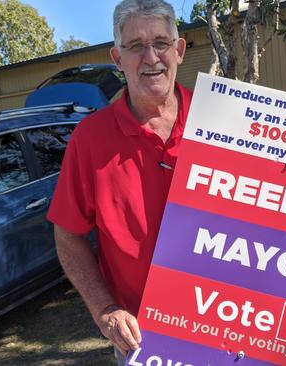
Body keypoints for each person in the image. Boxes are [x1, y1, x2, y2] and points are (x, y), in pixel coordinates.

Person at [46, 0, 190, 364]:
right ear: (117, 58)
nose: (151, 57)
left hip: (229, 328)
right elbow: (67, 234)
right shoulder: (90, 139)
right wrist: (104, 308)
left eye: (160, 42)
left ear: (180, 49)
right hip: (144, 340)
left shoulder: (223, 123)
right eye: (136, 46)